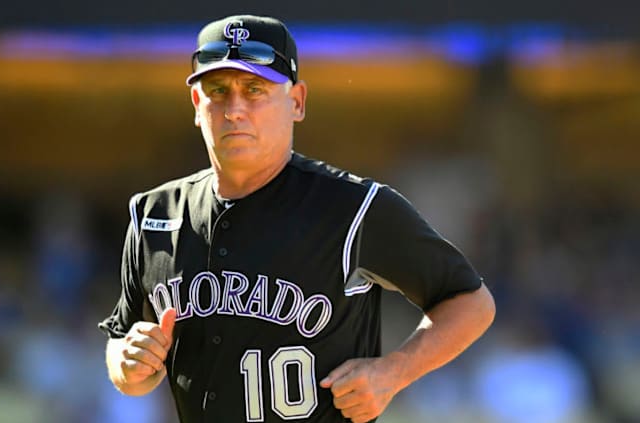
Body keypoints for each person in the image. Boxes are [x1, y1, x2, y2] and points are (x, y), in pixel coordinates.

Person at [98, 14, 495, 423]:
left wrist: (392, 372)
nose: (235, 109)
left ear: (297, 101)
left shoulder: (353, 208)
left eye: (255, 90)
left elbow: (470, 302)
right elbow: (124, 352)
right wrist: (128, 365)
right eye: (218, 91)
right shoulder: (154, 215)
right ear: (198, 105)